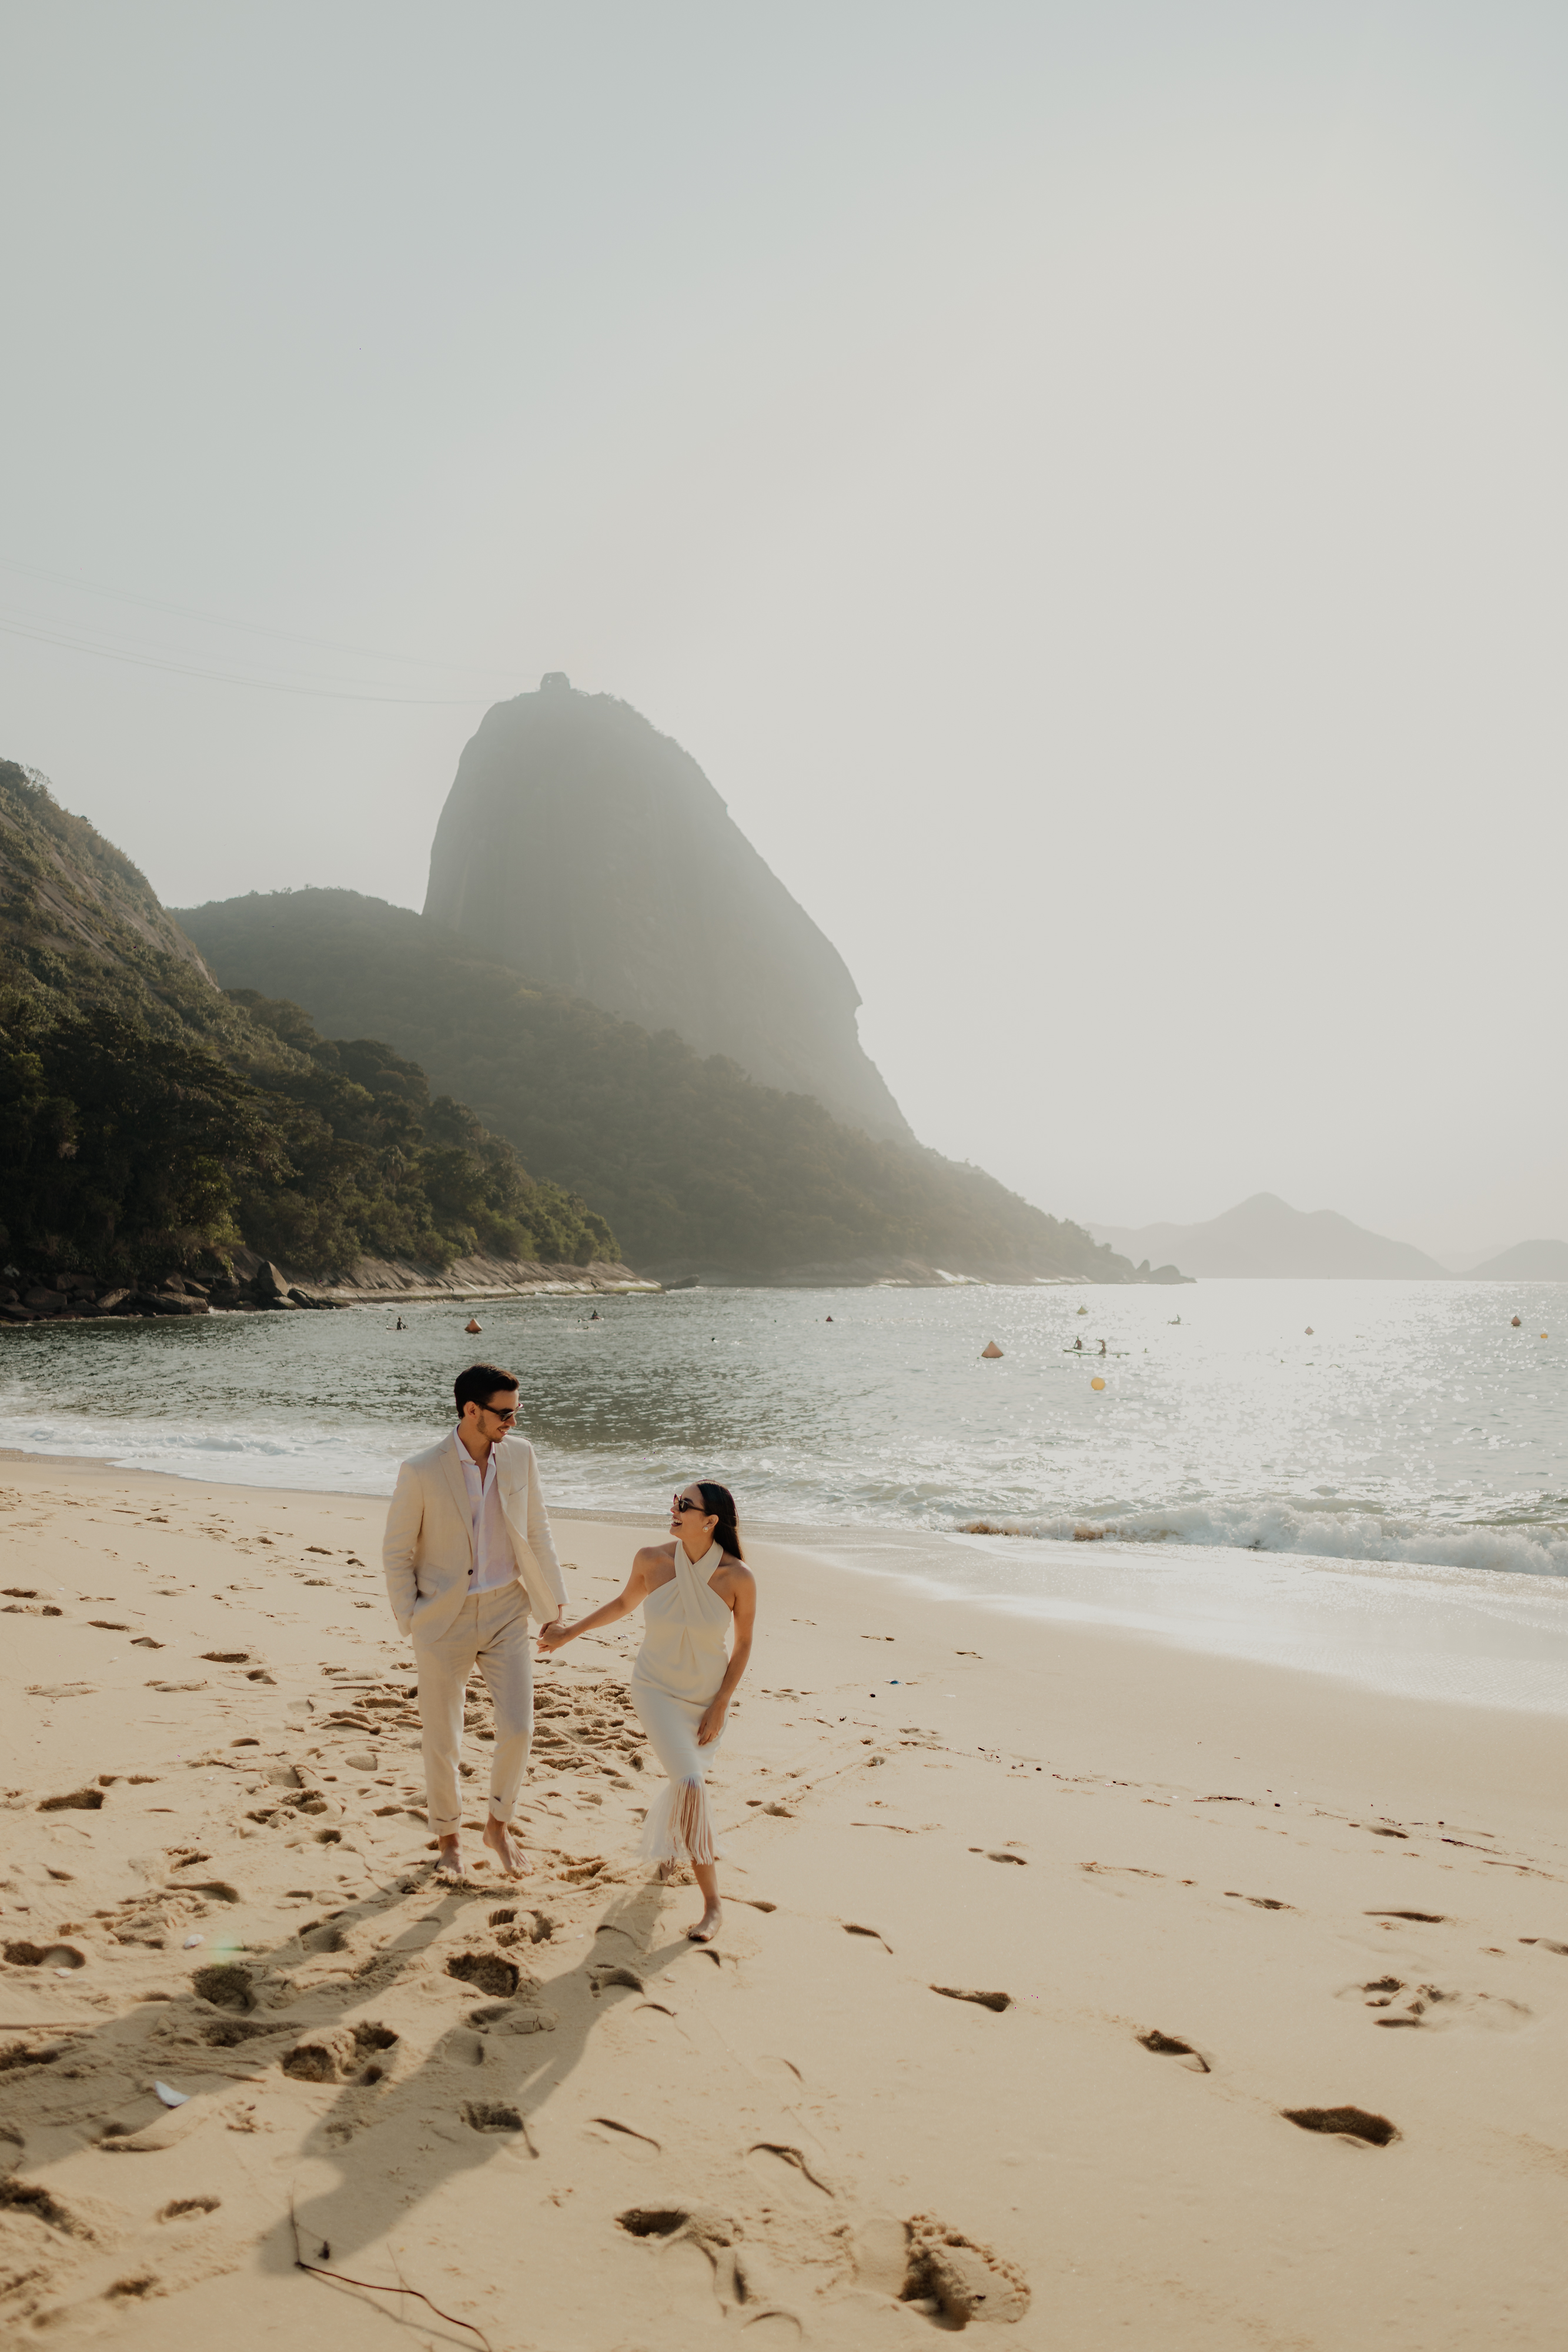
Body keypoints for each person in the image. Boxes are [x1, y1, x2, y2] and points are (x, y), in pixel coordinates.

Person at [540, 1481, 754, 1943]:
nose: (673, 1508)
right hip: (654, 1689)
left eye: (684, 1505)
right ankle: (713, 1905)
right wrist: (567, 1633)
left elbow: (743, 1645)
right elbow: (623, 1604)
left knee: (687, 1780)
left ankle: (675, 1847)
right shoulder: (651, 1559)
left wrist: (721, 1703)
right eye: (675, 1501)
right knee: (691, 1783)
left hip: (705, 1698)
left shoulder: (738, 1577)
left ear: (710, 1521)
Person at [382, 1362, 567, 1884]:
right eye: (504, 1413)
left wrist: (553, 1602)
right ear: (470, 1411)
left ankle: (498, 1826)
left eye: (516, 1412)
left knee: (518, 1728)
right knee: (442, 1738)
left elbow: (537, 1528)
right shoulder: (421, 1470)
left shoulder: (521, 1456)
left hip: (508, 1609)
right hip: (445, 1618)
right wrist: (411, 1617)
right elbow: (396, 1551)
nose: (513, 1421)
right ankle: (448, 1840)